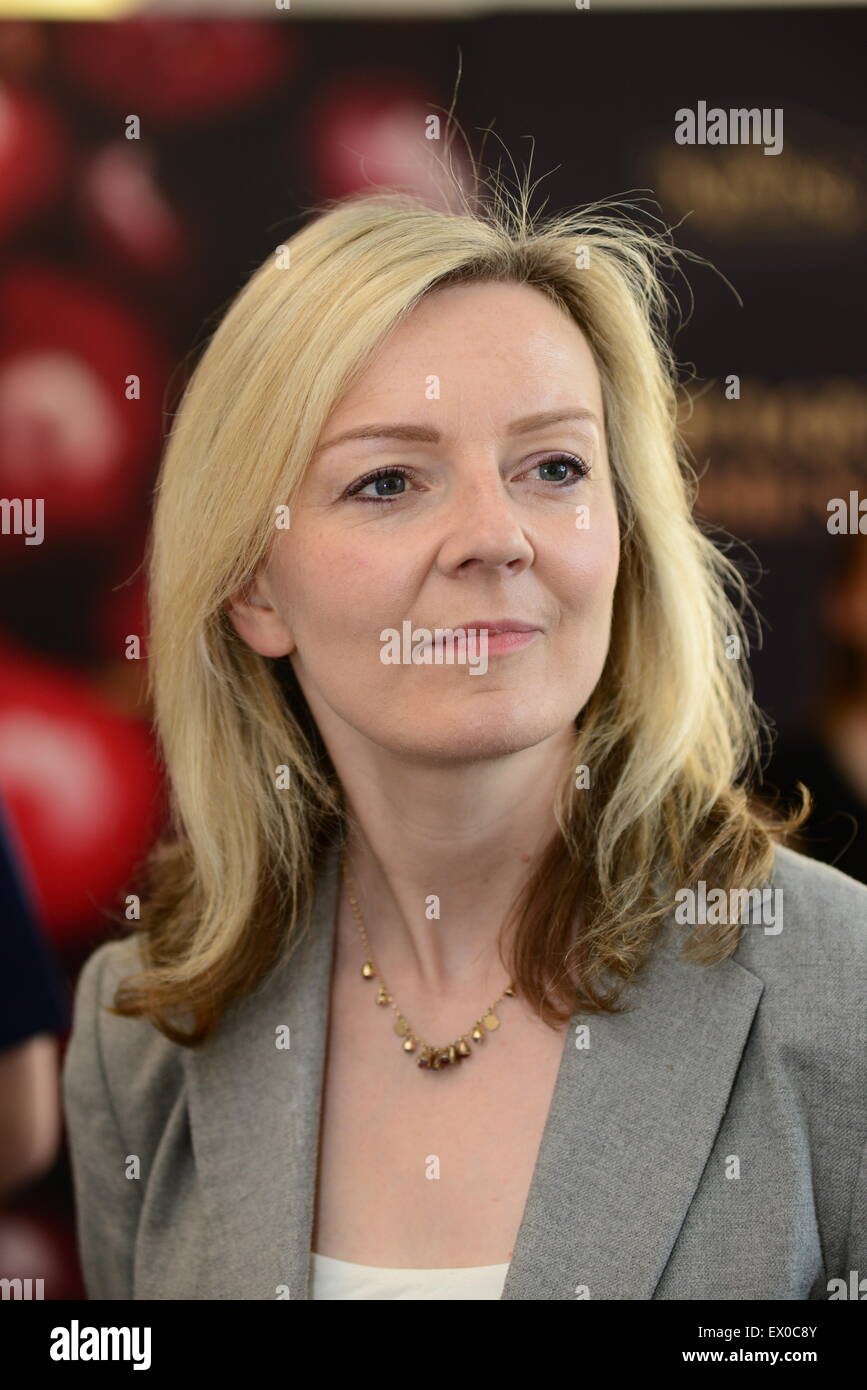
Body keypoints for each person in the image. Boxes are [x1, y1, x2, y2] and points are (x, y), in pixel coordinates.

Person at [62, 184, 867, 1301]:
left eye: (555, 468)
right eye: (388, 480)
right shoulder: (141, 1032)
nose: (496, 536)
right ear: (254, 587)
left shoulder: (844, 992)